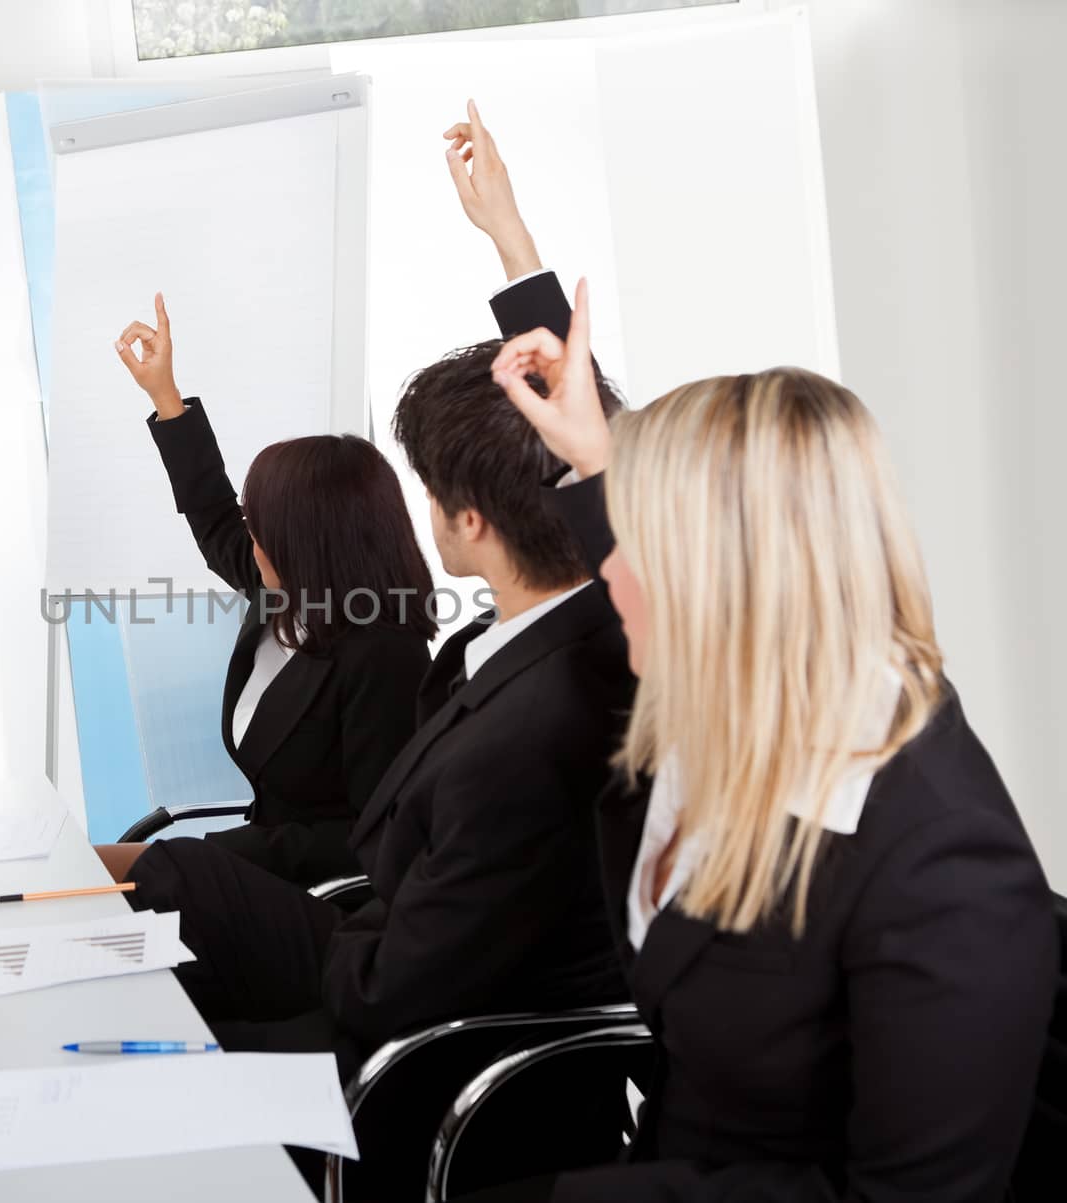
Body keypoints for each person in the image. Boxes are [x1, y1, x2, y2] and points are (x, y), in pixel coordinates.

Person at [459, 277, 1059, 1200]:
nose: (603, 575)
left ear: (733, 583)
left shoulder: (941, 866)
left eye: (635, 546)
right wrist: (586, 446)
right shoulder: (734, 688)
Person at [120, 106, 632, 1091]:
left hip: (403, 1035)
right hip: (374, 945)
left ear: (469, 519)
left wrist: (221, 987)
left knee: (134, 1038)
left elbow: (390, 982)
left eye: (430, 485)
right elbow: (592, 447)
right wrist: (506, 235)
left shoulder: (551, 694)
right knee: (152, 935)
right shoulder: (505, 649)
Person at [95, 293, 436, 888]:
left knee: (108, 883)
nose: (248, 539)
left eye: (261, 529)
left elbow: (376, 836)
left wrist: (221, 858)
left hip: (321, 900)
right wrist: (165, 397)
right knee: (86, 878)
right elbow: (212, 516)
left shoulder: (384, 655)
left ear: (307, 544)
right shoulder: (287, 593)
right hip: (262, 866)